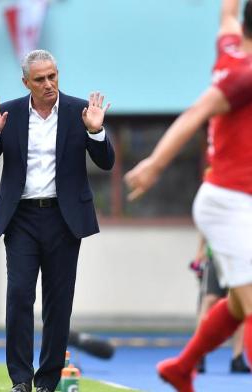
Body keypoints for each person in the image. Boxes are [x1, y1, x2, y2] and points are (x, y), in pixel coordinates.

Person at [125, 0, 252, 390]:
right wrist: (155, 164)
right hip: (230, 203)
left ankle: (182, 367)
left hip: (239, 201)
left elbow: (226, 15)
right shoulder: (244, 76)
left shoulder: (231, 48)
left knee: (235, 305)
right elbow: (196, 112)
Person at [0, 49, 115, 392]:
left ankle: (48, 382)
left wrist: (96, 132)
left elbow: (107, 161)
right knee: (20, 295)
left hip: (63, 218)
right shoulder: (6, 113)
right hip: (21, 217)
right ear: (26, 82)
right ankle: (21, 379)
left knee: (58, 302)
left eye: (53, 76)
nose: (49, 83)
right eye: (40, 79)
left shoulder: (78, 111)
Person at [192, 237, 250, 373]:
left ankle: (238, 357)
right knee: (209, 300)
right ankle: (198, 355)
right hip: (217, 257)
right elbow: (205, 223)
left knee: (241, 304)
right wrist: (200, 250)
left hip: (242, 259)